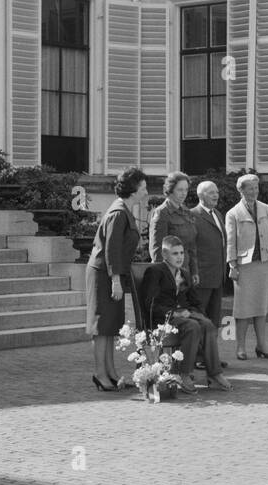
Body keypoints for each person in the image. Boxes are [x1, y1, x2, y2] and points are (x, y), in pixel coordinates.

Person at [137, 237, 232, 393]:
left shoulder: (185, 274)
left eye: (181, 253)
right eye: (175, 253)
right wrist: (174, 313)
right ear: (164, 254)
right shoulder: (155, 272)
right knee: (193, 326)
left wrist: (196, 313)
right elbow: (151, 304)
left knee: (207, 324)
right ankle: (183, 374)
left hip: (184, 317)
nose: (180, 257)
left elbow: (195, 302)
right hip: (163, 319)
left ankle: (214, 374)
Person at [86, 166, 149, 392]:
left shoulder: (123, 210)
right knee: (102, 326)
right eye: (143, 187)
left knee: (111, 326)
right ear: (133, 189)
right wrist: (115, 280)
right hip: (104, 274)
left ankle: (111, 373)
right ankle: (100, 374)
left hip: (111, 273)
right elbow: (112, 249)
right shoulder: (118, 212)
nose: (146, 191)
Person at [225, 173, 268, 360]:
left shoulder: (265, 208)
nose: (254, 191)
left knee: (262, 306)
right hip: (244, 265)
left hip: (263, 263)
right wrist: (232, 265)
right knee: (243, 308)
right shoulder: (233, 213)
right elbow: (230, 242)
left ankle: (262, 345)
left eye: (256, 188)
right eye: (250, 188)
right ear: (241, 190)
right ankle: (241, 347)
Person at [190, 180, 229, 363]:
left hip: (217, 276)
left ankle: (210, 357)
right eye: (211, 192)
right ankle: (198, 357)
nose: (216, 195)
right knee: (200, 319)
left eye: (216, 192)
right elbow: (192, 248)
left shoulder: (218, 214)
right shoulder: (193, 216)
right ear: (201, 195)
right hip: (202, 277)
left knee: (213, 320)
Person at [149, 171, 198, 280]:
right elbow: (157, 249)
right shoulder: (162, 213)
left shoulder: (187, 212)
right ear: (170, 190)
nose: (184, 193)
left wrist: (194, 271)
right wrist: (164, 276)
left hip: (185, 272)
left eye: (186, 190)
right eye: (180, 190)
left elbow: (191, 247)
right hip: (169, 274)